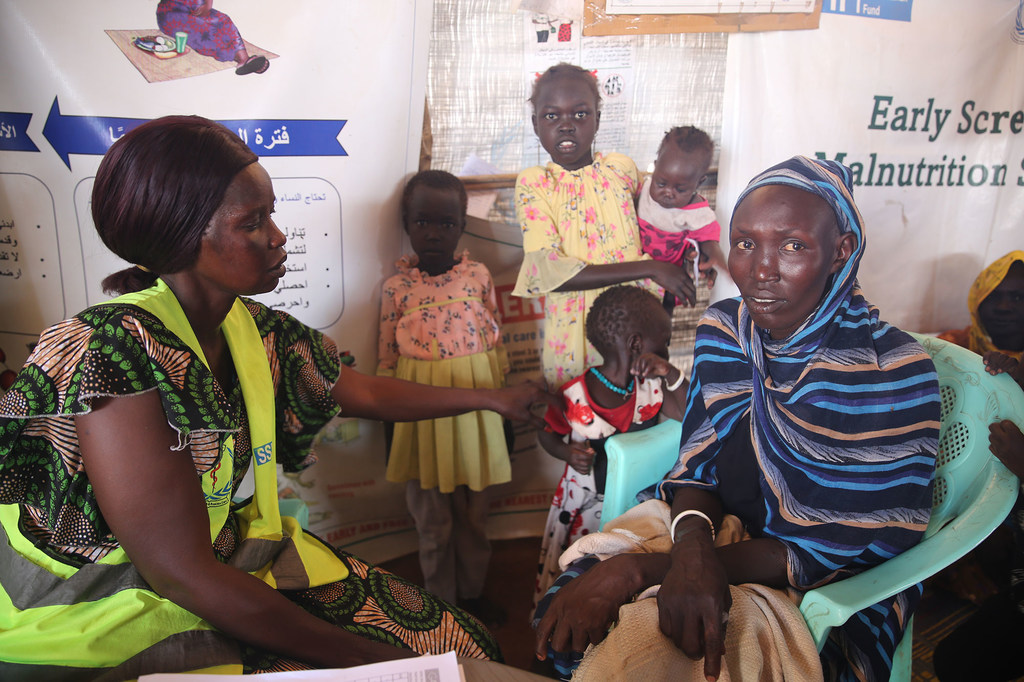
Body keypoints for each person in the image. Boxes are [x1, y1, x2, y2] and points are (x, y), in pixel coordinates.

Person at [0, 115, 552, 679]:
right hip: (97, 606)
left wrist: (494, 400)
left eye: (271, 214)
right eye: (253, 221)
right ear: (183, 234)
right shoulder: (109, 351)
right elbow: (176, 573)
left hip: (220, 562)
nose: (277, 237)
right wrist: (376, 664)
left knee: (466, 643)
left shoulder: (252, 328)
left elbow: (363, 391)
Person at [533, 156, 941, 682]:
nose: (762, 270)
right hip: (715, 530)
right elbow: (699, 463)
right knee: (563, 620)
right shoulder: (728, 331)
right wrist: (693, 546)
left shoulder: (892, 374)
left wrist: (641, 569)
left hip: (819, 582)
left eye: (793, 245)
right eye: (746, 243)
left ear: (841, 252)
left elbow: (834, 548)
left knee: (651, 656)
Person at [377, 170, 510, 625]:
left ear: (461, 226)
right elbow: (387, 358)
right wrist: (388, 423)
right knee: (432, 522)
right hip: (420, 421)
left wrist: (502, 418)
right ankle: (444, 610)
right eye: (422, 222)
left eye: (446, 223)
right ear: (407, 223)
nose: (433, 233)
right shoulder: (397, 289)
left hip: (475, 416)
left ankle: (473, 598)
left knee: (474, 519)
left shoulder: (477, 276)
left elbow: (497, 343)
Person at [511, 62, 695, 389]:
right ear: (535, 124)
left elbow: (659, 222)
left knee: (641, 408)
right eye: (552, 116)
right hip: (576, 333)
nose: (566, 126)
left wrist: (690, 251)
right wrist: (649, 268)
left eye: (580, 114)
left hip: (638, 321)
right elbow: (550, 273)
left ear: (598, 118)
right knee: (585, 423)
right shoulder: (535, 184)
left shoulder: (620, 169)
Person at [532, 285, 686, 610]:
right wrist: (565, 454)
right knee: (575, 570)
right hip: (583, 508)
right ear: (636, 344)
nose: (667, 349)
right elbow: (547, 434)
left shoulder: (651, 388)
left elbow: (687, 415)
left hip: (633, 507)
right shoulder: (574, 395)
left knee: (615, 577)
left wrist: (669, 373)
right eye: (665, 341)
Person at [637, 125, 728, 377]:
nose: (667, 193)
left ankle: (658, 370)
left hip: (667, 282)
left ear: (698, 182)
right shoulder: (643, 189)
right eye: (662, 182)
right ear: (655, 166)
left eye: (680, 189)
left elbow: (708, 237)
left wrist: (715, 256)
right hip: (636, 275)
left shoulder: (696, 209)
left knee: (658, 329)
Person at [938, 250, 1024, 362]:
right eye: (992, 296)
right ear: (976, 301)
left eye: (1017, 297)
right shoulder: (947, 348)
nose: (1003, 307)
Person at [157, 0, 269, 75]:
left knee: (223, 19)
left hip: (195, 5)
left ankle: (244, 58)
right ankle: (241, 59)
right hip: (171, 13)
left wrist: (208, 4)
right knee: (204, 30)